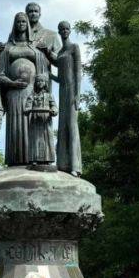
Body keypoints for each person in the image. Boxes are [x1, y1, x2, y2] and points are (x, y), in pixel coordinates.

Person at [0, 12, 48, 166]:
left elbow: (43, 73)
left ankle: (34, 158)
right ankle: (15, 161)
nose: (21, 24)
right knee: (16, 127)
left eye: (23, 22)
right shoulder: (7, 49)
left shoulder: (34, 48)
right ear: (15, 24)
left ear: (27, 25)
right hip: (14, 93)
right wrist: (13, 83)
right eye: (18, 22)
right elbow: (0, 75)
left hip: (33, 93)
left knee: (32, 124)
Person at [51, 20, 83, 175]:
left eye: (66, 29)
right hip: (62, 92)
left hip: (71, 92)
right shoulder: (60, 52)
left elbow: (78, 72)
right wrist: (49, 75)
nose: (64, 31)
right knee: (62, 127)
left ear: (69, 31)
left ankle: (75, 166)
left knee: (72, 127)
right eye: (61, 29)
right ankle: (63, 164)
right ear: (59, 31)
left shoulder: (74, 48)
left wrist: (77, 95)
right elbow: (60, 77)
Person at [24, 75, 57, 166]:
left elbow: (54, 106)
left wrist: (54, 110)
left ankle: (48, 159)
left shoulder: (49, 95)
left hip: (46, 119)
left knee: (47, 138)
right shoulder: (32, 96)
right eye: (38, 81)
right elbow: (27, 108)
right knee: (35, 139)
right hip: (35, 119)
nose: (40, 83)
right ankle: (34, 158)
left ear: (45, 83)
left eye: (42, 81)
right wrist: (27, 110)